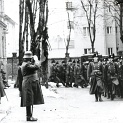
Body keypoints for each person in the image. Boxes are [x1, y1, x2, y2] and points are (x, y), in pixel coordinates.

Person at [20, 51, 44, 121]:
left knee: (29, 99)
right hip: (28, 83)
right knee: (29, 100)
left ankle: (29, 116)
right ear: (29, 58)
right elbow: (36, 67)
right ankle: (29, 116)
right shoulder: (26, 65)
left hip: (28, 83)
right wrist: (36, 60)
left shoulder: (25, 64)